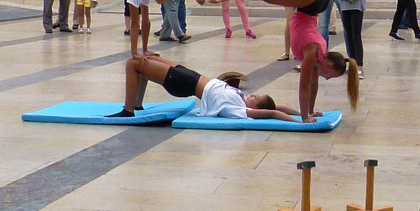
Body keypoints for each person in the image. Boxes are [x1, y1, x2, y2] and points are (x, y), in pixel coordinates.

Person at [209, 0, 394, 121]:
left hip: (315, 2)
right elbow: (304, 86)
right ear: (328, 64)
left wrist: (309, 112)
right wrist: (304, 117)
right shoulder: (313, 51)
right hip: (311, 2)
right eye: (330, 76)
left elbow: (312, 86)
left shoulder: (316, 56)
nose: (326, 78)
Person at [108, 54, 304, 122]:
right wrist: (304, 113)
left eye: (255, 98)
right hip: (191, 75)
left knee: (133, 64)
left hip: (185, 83)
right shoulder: (241, 98)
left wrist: (298, 124)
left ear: (255, 108)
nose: (252, 94)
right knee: (148, 59)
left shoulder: (241, 109)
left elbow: (273, 113)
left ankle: (128, 110)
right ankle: (137, 105)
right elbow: (278, 107)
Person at [106, 0, 178, 58]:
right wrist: (134, 53)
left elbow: (146, 21)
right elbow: (135, 23)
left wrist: (145, 50)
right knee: (135, 21)